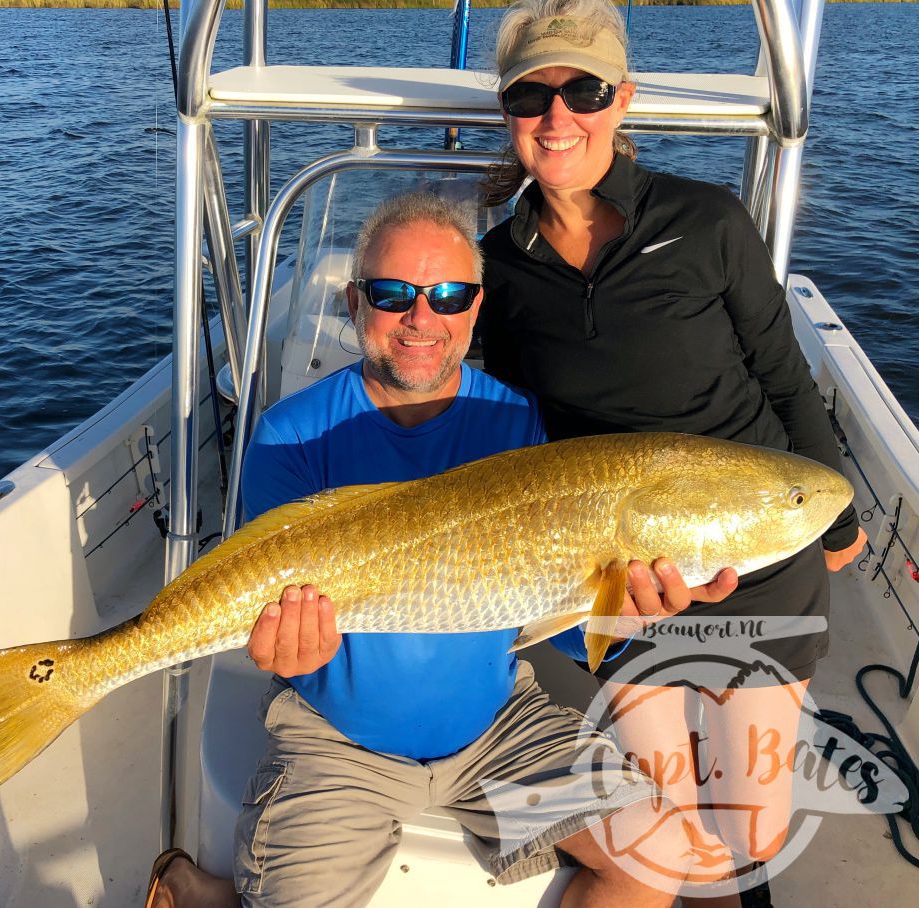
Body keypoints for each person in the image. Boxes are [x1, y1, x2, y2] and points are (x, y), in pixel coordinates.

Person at [144, 192, 738, 908]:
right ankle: (204, 888)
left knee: (657, 852)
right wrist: (276, 648)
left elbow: (568, 598)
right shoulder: (289, 434)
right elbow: (272, 612)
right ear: (354, 301)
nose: (422, 319)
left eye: (449, 296)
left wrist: (631, 606)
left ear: (476, 307)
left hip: (494, 726)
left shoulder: (515, 418)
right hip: (340, 743)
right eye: (394, 294)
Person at [475, 0, 868, 903]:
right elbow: (507, 425)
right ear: (509, 115)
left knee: (755, 829)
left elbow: (781, 369)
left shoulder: (707, 220)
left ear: (624, 100)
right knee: (675, 826)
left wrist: (835, 508)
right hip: (621, 569)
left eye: (584, 88)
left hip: (754, 550)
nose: (557, 115)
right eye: (531, 96)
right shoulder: (499, 264)